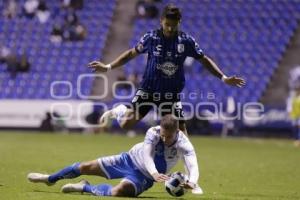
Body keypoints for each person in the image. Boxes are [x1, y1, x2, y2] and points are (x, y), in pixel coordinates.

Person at [88, 4, 246, 134]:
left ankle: (187, 172)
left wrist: (224, 77)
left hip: (171, 94)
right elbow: (130, 54)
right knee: (126, 125)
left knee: (181, 133)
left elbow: (204, 60)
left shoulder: (186, 41)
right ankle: (120, 110)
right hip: (148, 90)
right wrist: (108, 67)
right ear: (161, 21)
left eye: (174, 25)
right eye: (167, 25)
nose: (170, 29)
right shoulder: (151, 37)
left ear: (179, 22)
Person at [27, 115, 203, 197]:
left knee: (118, 192)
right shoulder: (153, 132)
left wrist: (193, 181)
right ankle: (50, 179)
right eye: (163, 135)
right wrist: (156, 172)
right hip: (128, 160)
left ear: (177, 132)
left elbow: (193, 164)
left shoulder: (184, 143)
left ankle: (84, 188)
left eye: (168, 137)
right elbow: (148, 155)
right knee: (85, 167)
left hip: (143, 177)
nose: (164, 139)